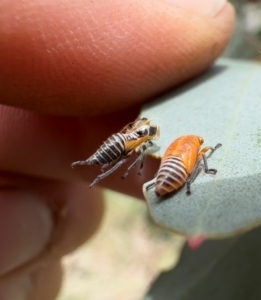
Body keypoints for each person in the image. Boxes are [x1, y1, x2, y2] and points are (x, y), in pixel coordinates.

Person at [0, 0, 234, 298]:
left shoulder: (170, 142)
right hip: (154, 162)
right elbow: (186, 157)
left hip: (156, 163)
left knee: (67, 219)